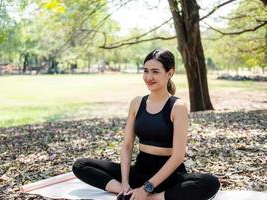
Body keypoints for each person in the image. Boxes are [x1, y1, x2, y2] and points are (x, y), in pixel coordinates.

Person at [72, 49, 220, 200]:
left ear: (169, 73)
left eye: (155, 72)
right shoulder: (137, 103)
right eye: (146, 71)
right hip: (139, 171)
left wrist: (146, 188)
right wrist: (124, 182)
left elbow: (178, 156)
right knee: (81, 165)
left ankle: (151, 197)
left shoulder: (178, 106)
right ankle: (127, 193)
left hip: (168, 177)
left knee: (210, 183)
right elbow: (127, 145)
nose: (149, 77)